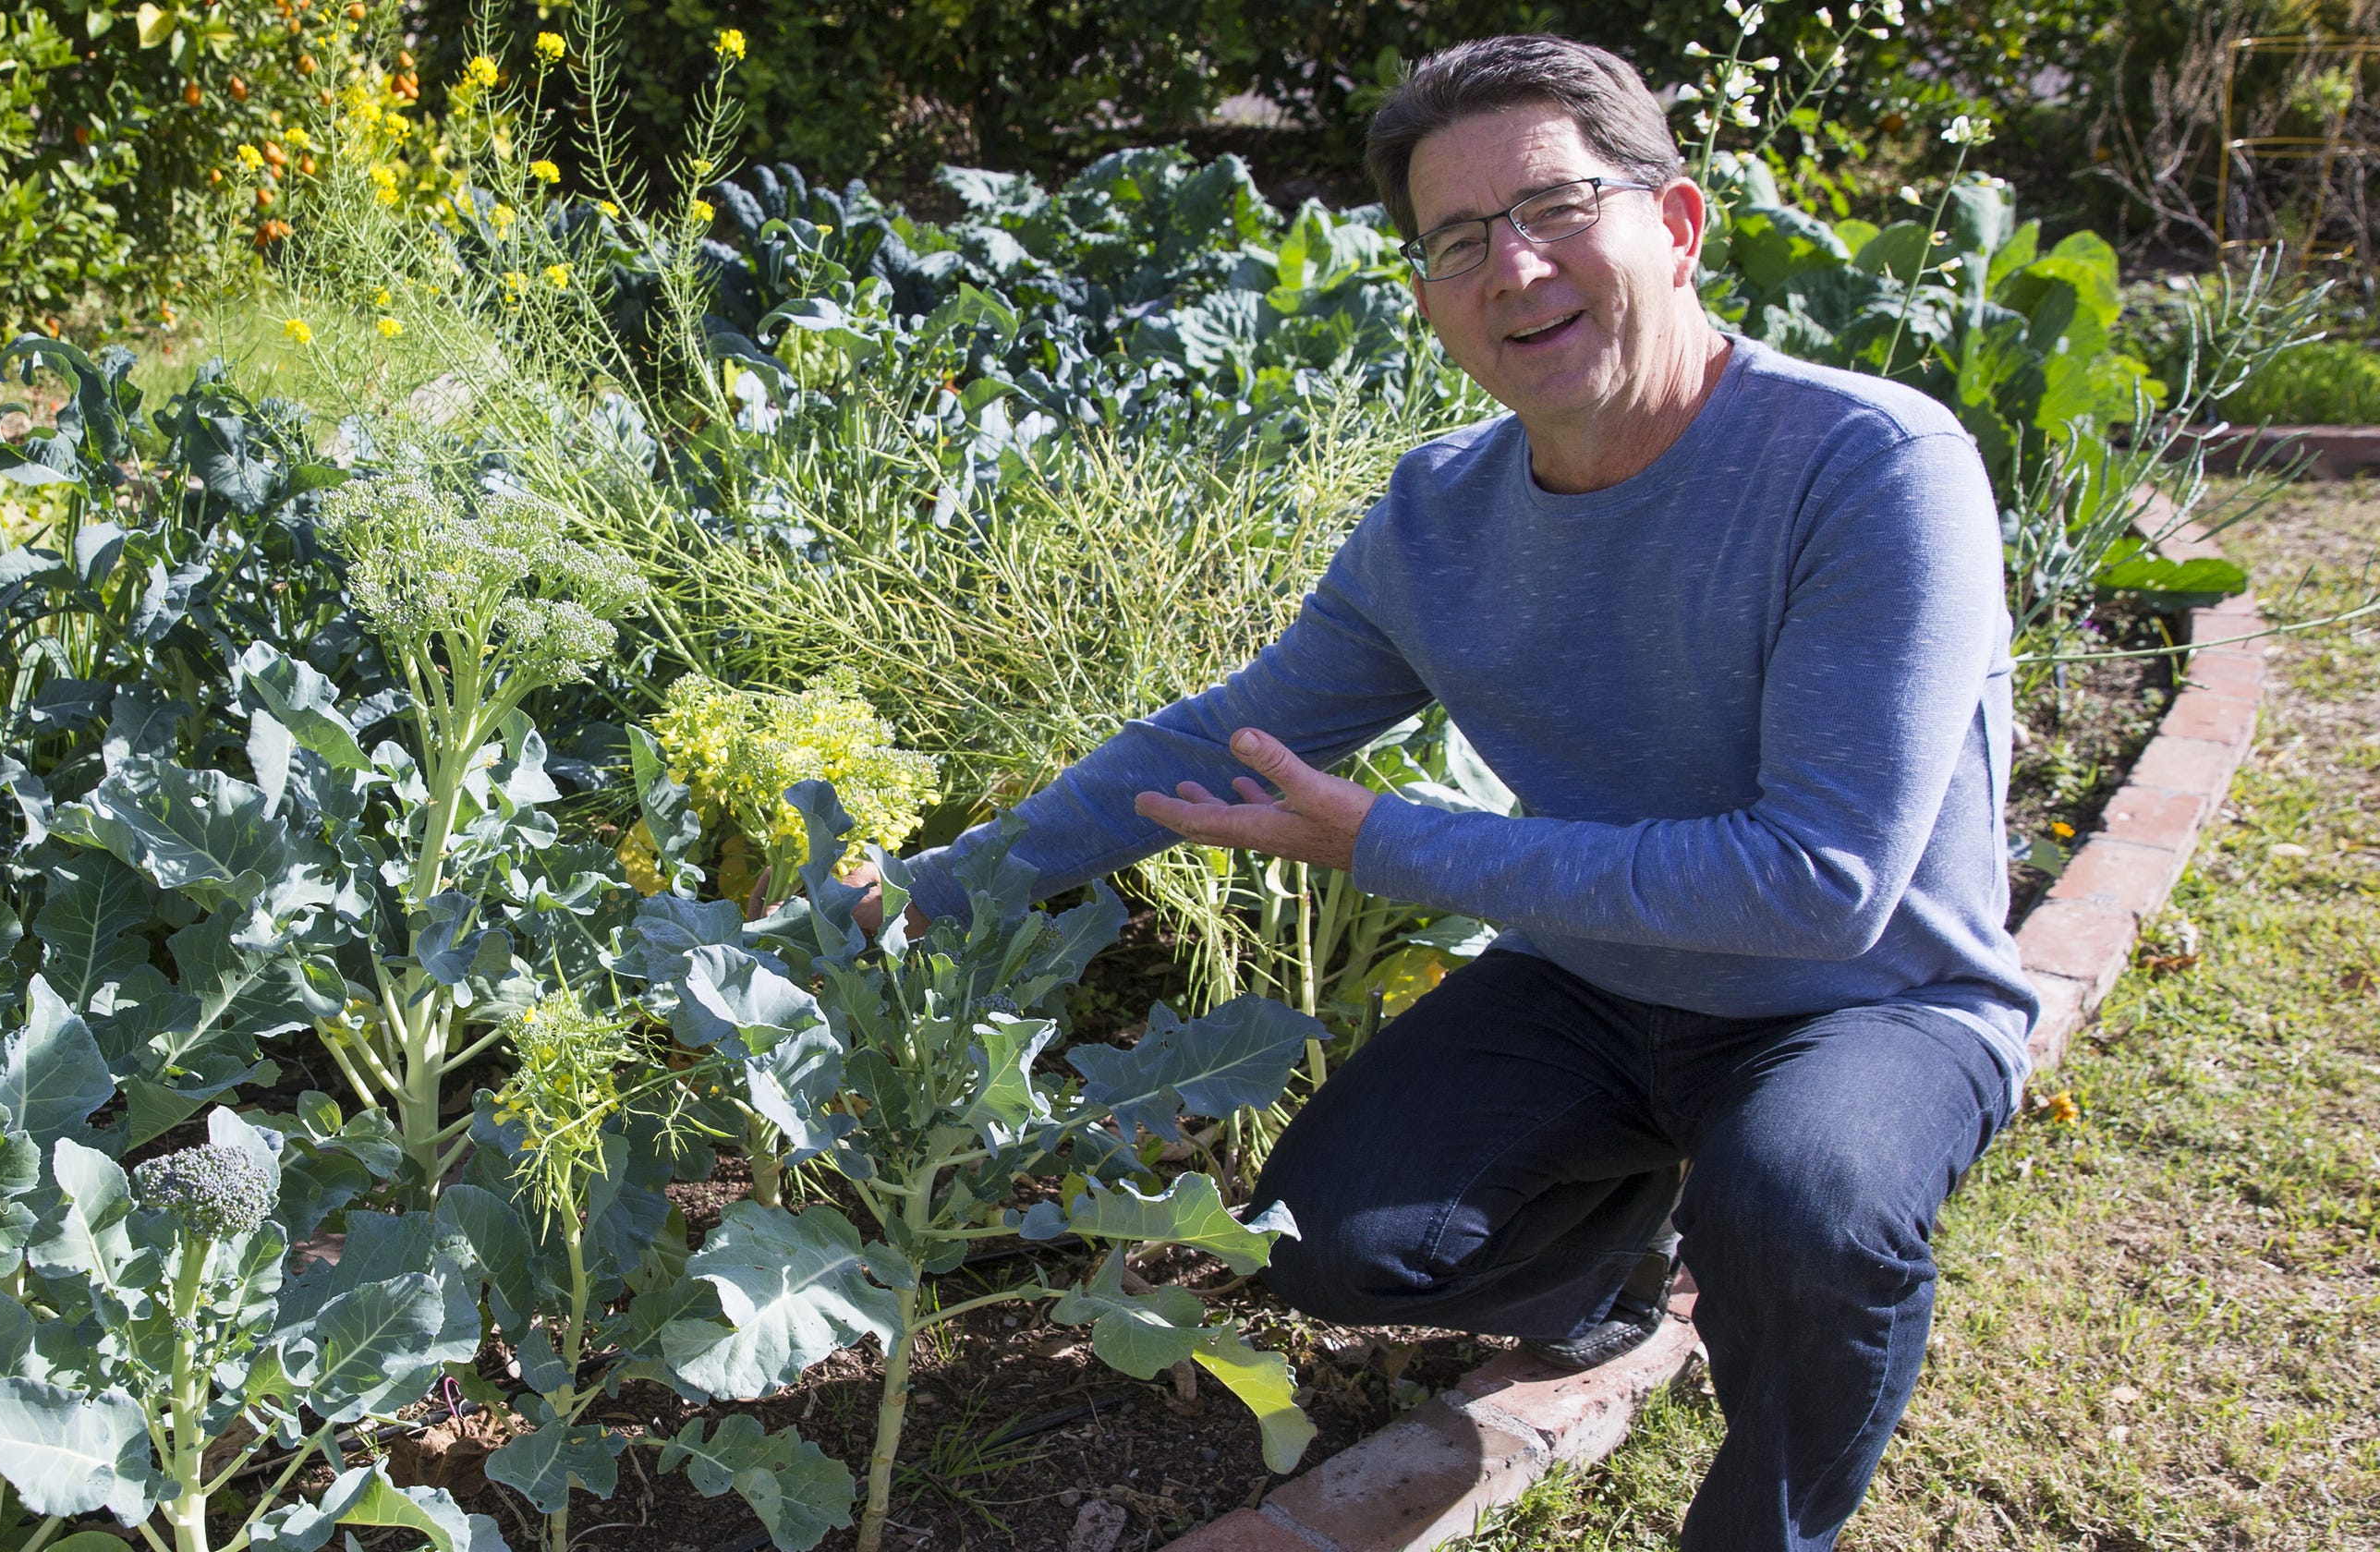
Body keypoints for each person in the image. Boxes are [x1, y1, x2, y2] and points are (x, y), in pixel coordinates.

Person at [848, 33, 2034, 1552]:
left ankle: (1765, 1522)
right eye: (1460, 241)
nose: (1515, 268)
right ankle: (1619, 1273)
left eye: (1555, 209)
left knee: (1803, 1198)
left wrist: (1390, 844)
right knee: (1334, 1247)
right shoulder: (1438, 517)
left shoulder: (1870, 465)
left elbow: (1819, 881)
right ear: (1426, 293)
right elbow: (1230, 739)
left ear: (1673, 227)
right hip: (1600, 989)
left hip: (1868, 999)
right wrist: (933, 888)